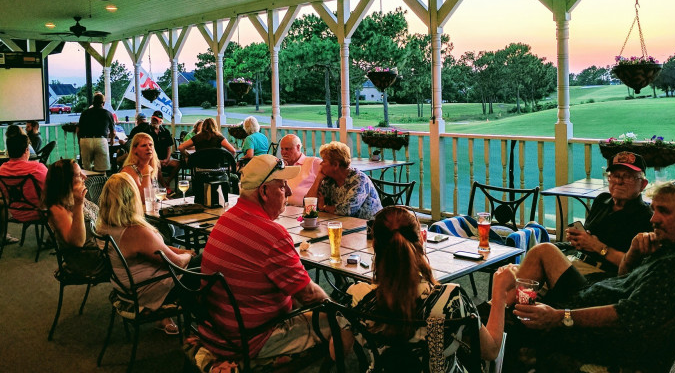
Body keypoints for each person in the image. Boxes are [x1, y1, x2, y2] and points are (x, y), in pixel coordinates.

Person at [496, 179, 675, 372]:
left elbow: (628, 315)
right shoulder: (674, 248)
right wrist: (634, 252)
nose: (653, 219)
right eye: (654, 210)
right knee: (543, 251)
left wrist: (560, 317)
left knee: (505, 322)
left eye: (664, 211)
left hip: (588, 328)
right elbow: (624, 279)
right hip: (588, 295)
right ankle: (498, 310)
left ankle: (493, 323)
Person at [335, 205, 512, 370]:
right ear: (421, 240)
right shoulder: (451, 298)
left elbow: (337, 354)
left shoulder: (356, 297)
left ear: (374, 245)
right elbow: (491, 351)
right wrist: (500, 293)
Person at [201, 155, 330, 360]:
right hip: (251, 339)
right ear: (263, 192)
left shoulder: (226, 218)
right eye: (282, 186)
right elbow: (308, 295)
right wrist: (336, 308)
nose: (289, 191)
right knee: (341, 321)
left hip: (216, 330)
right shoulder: (272, 234)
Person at [96, 172, 196, 335]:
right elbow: (177, 263)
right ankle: (215, 326)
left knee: (201, 261)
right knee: (209, 267)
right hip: (151, 291)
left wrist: (184, 252)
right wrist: (189, 255)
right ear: (131, 199)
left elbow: (159, 248)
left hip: (128, 289)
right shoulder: (135, 232)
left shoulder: (105, 227)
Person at [558, 151, 653, 278]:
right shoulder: (602, 200)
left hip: (601, 274)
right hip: (574, 258)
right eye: (615, 175)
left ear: (643, 184)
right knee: (539, 255)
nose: (619, 181)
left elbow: (637, 267)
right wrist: (580, 239)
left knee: (542, 252)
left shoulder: (646, 217)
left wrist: (597, 246)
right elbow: (589, 236)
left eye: (628, 177)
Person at [42, 158, 108, 278]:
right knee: (137, 259)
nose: (85, 177)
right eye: (79, 175)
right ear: (65, 181)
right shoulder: (58, 208)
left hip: (101, 247)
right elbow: (77, 242)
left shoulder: (72, 197)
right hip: (89, 261)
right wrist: (79, 204)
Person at [307, 141, 381, 220]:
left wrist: (324, 207)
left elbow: (348, 210)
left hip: (369, 227)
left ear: (335, 165)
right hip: (342, 223)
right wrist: (318, 179)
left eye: (324, 161)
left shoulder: (359, 180)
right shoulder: (328, 180)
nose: (320, 164)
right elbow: (308, 204)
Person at [0, 132, 48, 224]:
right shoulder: (37, 168)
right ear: (26, 150)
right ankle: (56, 234)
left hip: (15, 212)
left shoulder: (2, 169)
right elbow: (51, 188)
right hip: (39, 212)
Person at [77, 92, 116, 172]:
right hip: (100, 140)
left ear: (93, 102)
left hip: (85, 140)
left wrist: (79, 140)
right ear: (103, 103)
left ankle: (88, 183)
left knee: (86, 169)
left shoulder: (85, 113)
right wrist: (112, 139)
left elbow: (78, 129)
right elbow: (113, 131)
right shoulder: (107, 113)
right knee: (102, 169)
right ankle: (101, 182)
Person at [279, 134, 321, 206]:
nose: (283, 152)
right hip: (282, 209)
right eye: (282, 149)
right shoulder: (280, 166)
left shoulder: (313, 162)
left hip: (304, 210)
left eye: (287, 149)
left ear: (298, 147)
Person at [120, 132, 160, 204]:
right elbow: (143, 200)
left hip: (150, 208)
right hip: (132, 211)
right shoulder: (129, 171)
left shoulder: (153, 167)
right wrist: (146, 173)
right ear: (134, 150)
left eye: (151, 145)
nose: (148, 148)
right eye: (144, 145)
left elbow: (154, 194)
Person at [146, 111, 180, 188]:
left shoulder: (166, 131)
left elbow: (169, 147)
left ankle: (167, 181)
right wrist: (158, 160)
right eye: (153, 119)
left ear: (161, 121)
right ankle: (165, 187)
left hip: (165, 158)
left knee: (178, 164)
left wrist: (167, 159)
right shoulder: (147, 131)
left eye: (156, 120)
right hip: (152, 159)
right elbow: (147, 149)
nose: (154, 121)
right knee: (157, 166)